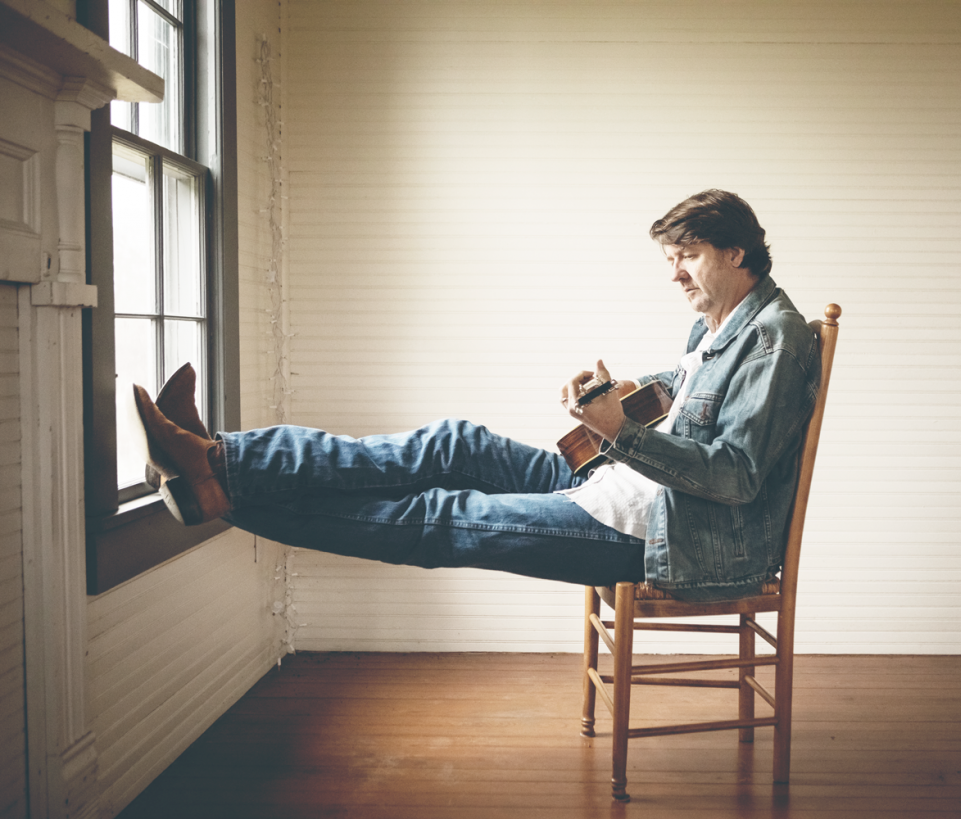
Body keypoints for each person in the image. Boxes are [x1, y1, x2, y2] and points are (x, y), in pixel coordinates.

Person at [134, 190, 820, 599]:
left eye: (688, 255)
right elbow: (688, 393)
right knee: (453, 443)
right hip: (616, 482)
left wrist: (622, 431)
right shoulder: (724, 322)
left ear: (736, 253)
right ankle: (221, 458)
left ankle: (223, 490)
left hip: (663, 535)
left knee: (445, 516)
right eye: (670, 259)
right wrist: (610, 396)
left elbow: (735, 476)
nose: (674, 275)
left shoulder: (775, 340)